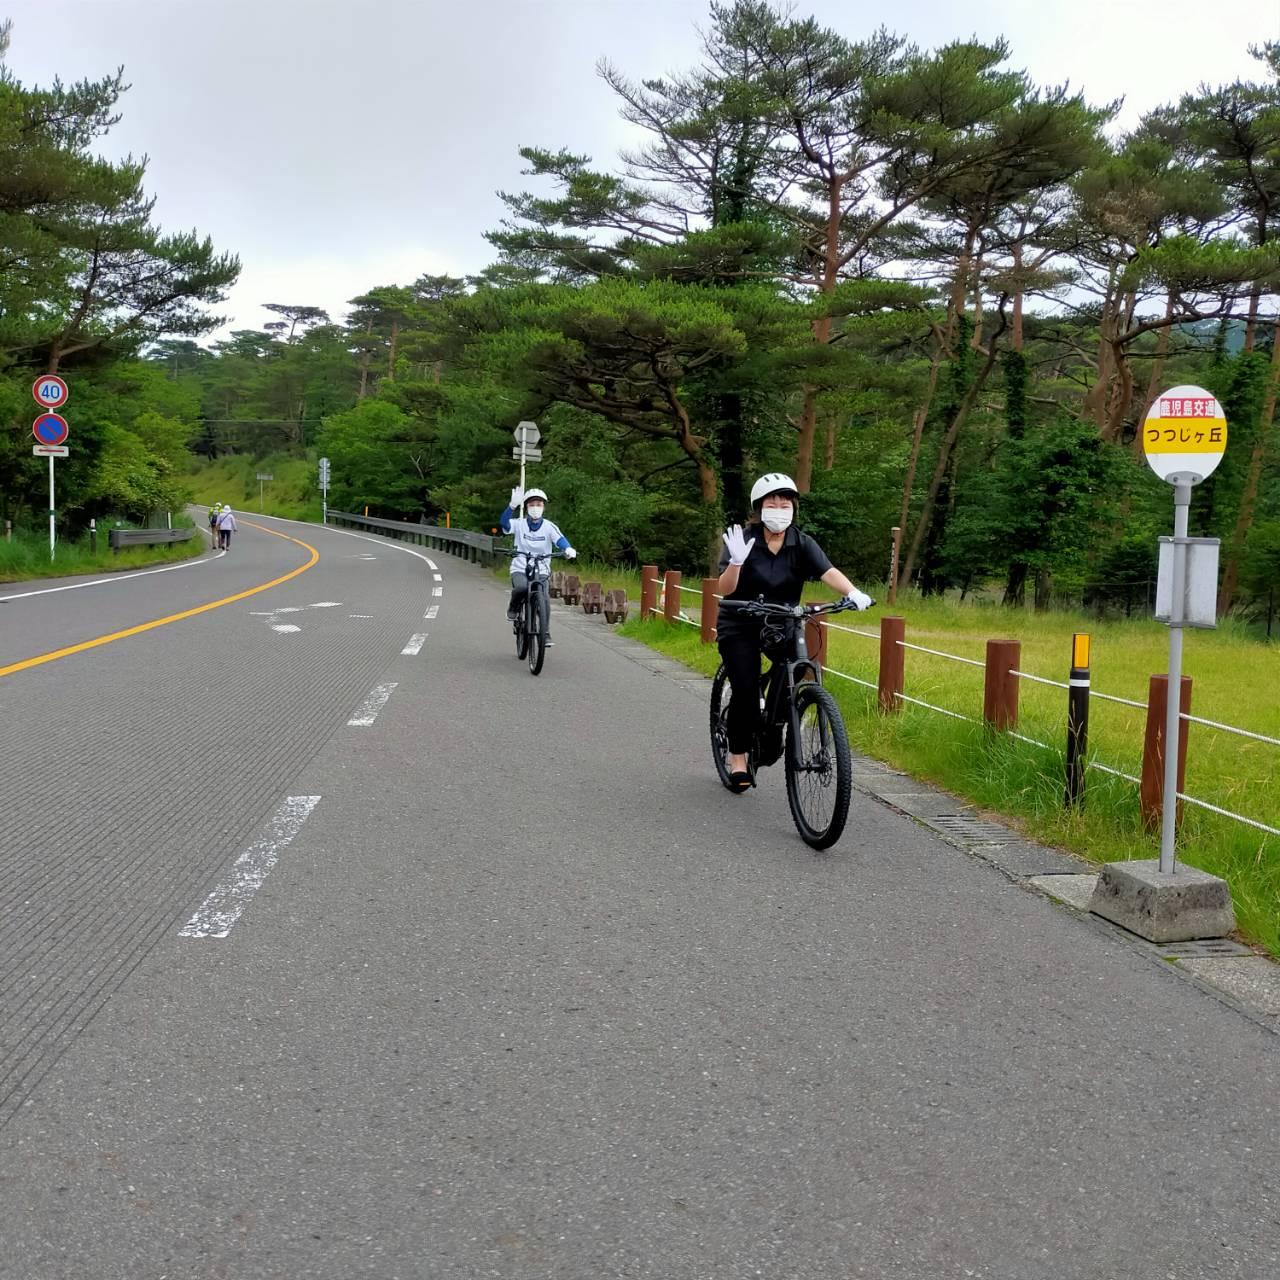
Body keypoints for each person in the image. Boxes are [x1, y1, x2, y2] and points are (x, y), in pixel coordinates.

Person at [716, 472, 872, 794]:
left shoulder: (801, 543)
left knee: (795, 674)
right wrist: (735, 563)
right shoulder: (742, 539)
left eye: (785, 503)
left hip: (784, 620)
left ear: (793, 508)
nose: (779, 508)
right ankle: (737, 757)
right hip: (741, 620)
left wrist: (853, 592)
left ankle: (774, 728)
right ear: (759, 508)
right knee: (745, 691)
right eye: (771, 503)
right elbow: (724, 589)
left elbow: (827, 571)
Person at [499, 485, 577, 645]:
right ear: (526, 507)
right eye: (532, 504)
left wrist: (568, 548)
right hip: (520, 566)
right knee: (521, 588)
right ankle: (513, 609)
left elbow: (560, 540)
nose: (535, 508)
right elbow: (504, 524)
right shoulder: (520, 524)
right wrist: (511, 506)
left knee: (544, 598)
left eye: (539, 504)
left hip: (542, 569)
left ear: (544, 507)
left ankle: (545, 632)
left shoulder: (549, 526)